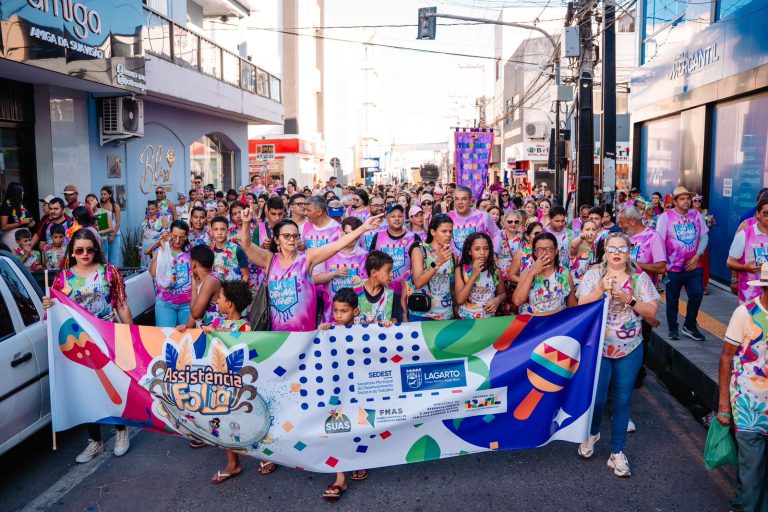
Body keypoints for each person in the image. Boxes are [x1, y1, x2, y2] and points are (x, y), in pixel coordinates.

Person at [43, 228, 132, 462]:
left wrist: (129, 333)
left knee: (113, 386)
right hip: (78, 343)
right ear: (72, 252)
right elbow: (55, 312)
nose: (85, 254)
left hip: (107, 338)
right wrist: (48, 305)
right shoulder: (62, 278)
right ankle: (95, 441)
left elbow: (121, 303)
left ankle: (121, 431)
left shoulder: (109, 272)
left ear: (96, 251)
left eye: (90, 250)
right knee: (87, 391)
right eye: (80, 250)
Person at [576, 232, 660, 477]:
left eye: (622, 249)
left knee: (623, 401)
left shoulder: (639, 278)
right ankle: (592, 434)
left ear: (629, 251)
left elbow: (652, 314)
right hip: (599, 348)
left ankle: (617, 452)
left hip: (630, 348)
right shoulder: (594, 275)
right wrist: (600, 291)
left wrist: (631, 300)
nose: (616, 253)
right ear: (605, 250)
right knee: (598, 399)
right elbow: (581, 305)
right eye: (612, 248)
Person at [237, 208, 383, 332]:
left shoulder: (307, 258)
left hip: (306, 335)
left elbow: (336, 246)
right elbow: (247, 246)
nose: (292, 239)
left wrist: (363, 228)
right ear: (276, 240)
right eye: (286, 236)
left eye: (295, 235)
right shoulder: (269, 260)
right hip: (276, 336)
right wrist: (245, 223)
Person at [718, 266, 768, 512]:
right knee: (752, 464)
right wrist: (724, 406)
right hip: (748, 405)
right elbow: (726, 357)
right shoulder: (745, 314)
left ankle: (739, 503)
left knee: (756, 467)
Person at [199, 280, 254, 485]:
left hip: (237, 386)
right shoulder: (217, 325)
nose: (217, 302)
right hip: (220, 385)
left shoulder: (246, 327)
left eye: (220, 298)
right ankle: (233, 462)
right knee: (224, 423)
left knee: (247, 422)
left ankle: (265, 458)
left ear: (229, 304)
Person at [319, 288, 370, 499]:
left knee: (361, 424)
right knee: (336, 426)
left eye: (344, 311)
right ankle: (340, 477)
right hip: (335, 389)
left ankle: (360, 461)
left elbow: (380, 342)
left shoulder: (365, 329)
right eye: (336, 310)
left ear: (356, 311)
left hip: (359, 388)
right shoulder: (328, 329)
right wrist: (322, 332)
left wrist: (385, 327)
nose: (338, 315)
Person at [656, 186, 708, 341]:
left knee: (697, 295)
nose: (686, 201)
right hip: (673, 267)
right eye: (682, 199)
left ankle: (690, 325)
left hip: (694, 266)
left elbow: (704, 237)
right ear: (675, 201)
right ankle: (673, 328)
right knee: (672, 298)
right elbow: (658, 241)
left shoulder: (696, 215)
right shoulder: (666, 217)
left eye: (688, 198)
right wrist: (661, 266)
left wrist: (697, 256)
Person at [369, 204, 419, 321]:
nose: (397, 219)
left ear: (404, 218)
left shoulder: (414, 237)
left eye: (400, 216)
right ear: (387, 218)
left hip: (407, 292)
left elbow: (422, 264)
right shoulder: (378, 236)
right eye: (393, 216)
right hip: (383, 292)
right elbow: (371, 264)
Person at [313, 217, 369, 323]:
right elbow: (314, 280)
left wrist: (362, 281)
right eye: (347, 234)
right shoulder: (327, 252)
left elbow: (373, 283)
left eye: (355, 235)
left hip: (356, 315)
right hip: (330, 314)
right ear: (340, 231)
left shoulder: (364, 255)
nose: (351, 238)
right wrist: (333, 274)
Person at [404, 214, 456, 322]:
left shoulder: (452, 255)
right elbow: (418, 282)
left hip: (446, 314)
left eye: (450, 231)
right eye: (444, 231)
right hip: (422, 314)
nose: (448, 235)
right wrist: (437, 262)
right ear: (433, 232)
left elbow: (451, 286)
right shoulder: (420, 251)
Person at [513, 232, 576, 315]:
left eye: (549, 249)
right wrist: (532, 273)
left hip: (556, 322)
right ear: (535, 253)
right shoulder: (527, 271)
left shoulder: (564, 273)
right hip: (533, 322)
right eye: (539, 250)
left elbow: (572, 306)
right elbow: (517, 301)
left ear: (556, 250)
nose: (544, 253)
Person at [150, 220, 192, 328]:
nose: (177, 241)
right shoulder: (162, 249)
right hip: (165, 303)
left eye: (182, 237)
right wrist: (162, 250)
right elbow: (153, 273)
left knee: (186, 339)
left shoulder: (191, 252)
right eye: (174, 236)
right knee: (166, 337)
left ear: (187, 237)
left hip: (187, 304)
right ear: (169, 234)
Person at [727, 197, 768, 305]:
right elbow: (730, 261)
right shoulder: (745, 234)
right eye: (766, 213)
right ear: (758, 214)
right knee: (754, 322)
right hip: (751, 297)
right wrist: (745, 268)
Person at [456, 232, 505, 319]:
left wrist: (497, 300)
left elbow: (502, 293)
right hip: (465, 319)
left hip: (488, 319)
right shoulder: (461, 270)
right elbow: (460, 300)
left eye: (486, 248)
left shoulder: (495, 270)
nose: (482, 252)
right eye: (477, 249)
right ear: (469, 251)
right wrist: (474, 275)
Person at [448, 186, 501, 257]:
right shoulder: (447, 217)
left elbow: (496, 233)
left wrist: (494, 253)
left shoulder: (483, 216)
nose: (460, 202)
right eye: (456, 199)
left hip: (480, 263)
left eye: (464, 199)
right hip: (455, 264)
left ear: (470, 200)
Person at [352, 250, 395, 325]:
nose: (391, 274)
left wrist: (391, 324)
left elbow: (395, 322)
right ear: (374, 272)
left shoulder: (391, 295)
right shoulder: (354, 292)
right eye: (388, 271)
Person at [210, 216, 249, 283]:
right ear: (211, 231)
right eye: (216, 229)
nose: (219, 232)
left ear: (227, 231)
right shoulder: (209, 251)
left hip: (234, 291)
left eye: (223, 229)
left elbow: (246, 276)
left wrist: (238, 290)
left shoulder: (237, 249)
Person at [507, 221, 544, 286]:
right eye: (537, 233)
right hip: (526, 291)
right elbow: (511, 276)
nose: (540, 236)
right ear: (527, 236)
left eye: (542, 233)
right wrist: (527, 282)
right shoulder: (521, 253)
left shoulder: (546, 251)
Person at [1, 182, 35, 250]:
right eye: (22, 191)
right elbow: (3, 227)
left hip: (25, 237)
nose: (23, 193)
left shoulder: (21, 205)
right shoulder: (5, 206)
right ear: (16, 192)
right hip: (12, 238)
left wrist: (30, 223)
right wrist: (21, 222)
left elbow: (26, 220)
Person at [569, 220, 599, 285]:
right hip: (575, 287)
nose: (590, 232)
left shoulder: (598, 248)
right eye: (587, 229)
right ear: (581, 231)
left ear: (597, 232)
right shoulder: (578, 246)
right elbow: (572, 246)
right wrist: (581, 237)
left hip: (592, 287)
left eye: (593, 230)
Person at [546, 206, 574, 271]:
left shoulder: (571, 234)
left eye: (563, 221)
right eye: (557, 221)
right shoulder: (544, 232)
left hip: (566, 272)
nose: (560, 224)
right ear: (550, 219)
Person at [99, 187, 122, 266]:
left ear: (110, 195)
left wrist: (113, 236)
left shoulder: (115, 206)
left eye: (105, 194)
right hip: (103, 234)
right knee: (103, 258)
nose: (103, 196)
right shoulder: (99, 205)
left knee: (113, 259)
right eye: (102, 194)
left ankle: (114, 277)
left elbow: (118, 223)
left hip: (114, 235)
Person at [86, 193, 114, 257]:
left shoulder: (104, 212)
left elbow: (112, 228)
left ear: (96, 201)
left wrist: (100, 232)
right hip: (90, 243)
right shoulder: (86, 214)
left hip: (103, 241)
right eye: (87, 201)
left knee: (103, 261)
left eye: (91, 200)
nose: (90, 202)